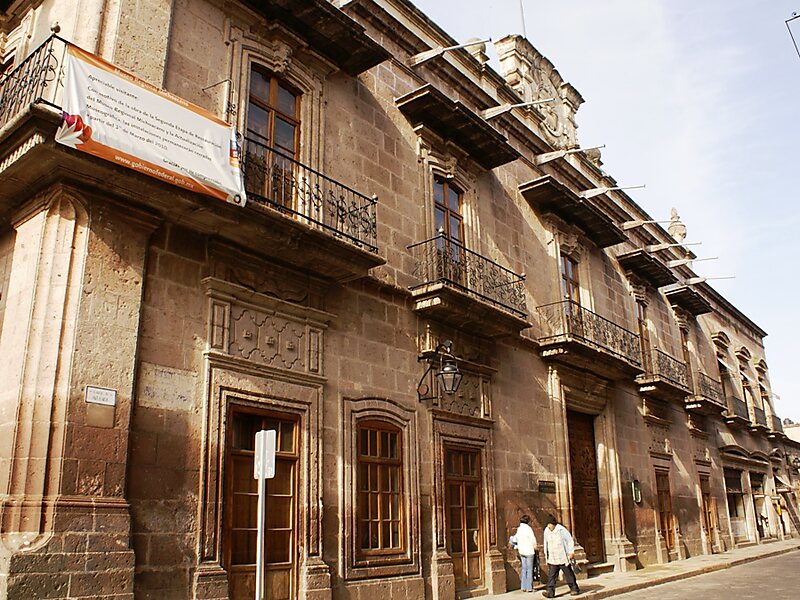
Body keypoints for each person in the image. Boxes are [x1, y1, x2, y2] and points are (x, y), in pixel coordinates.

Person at [542, 515, 580, 597]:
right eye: (547, 525)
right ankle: (550, 592)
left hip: (562, 556)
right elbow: (545, 543)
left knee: (568, 574)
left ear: (553, 524)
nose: (549, 526)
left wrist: (571, 552)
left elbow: (569, 540)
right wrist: (546, 555)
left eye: (550, 524)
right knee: (552, 576)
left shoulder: (561, 530)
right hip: (553, 557)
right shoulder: (546, 531)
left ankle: (574, 588)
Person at [514, 515, 538, 592]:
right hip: (529, 550)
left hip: (522, 550)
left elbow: (515, 539)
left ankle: (523, 586)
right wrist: (535, 547)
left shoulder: (519, 529)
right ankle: (529, 588)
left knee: (524, 569)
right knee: (529, 569)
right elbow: (533, 539)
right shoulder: (528, 529)